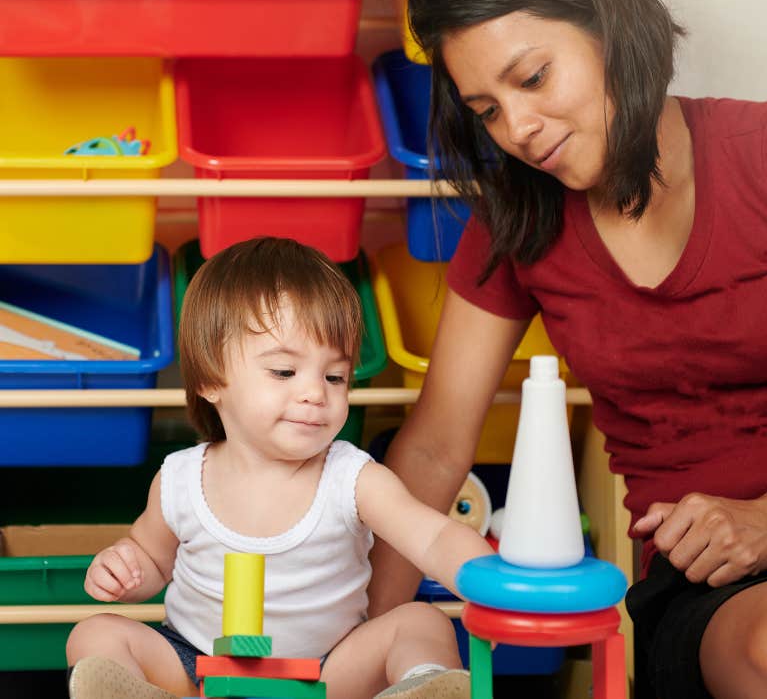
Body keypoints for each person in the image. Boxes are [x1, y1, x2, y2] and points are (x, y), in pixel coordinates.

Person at [365, 0, 767, 699]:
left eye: (532, 77)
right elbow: (431, 450)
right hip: (717, 592)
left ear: (610, 27)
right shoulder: (515, 223)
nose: (518, 127)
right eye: (487, 110)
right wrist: (359, 646)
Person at [66, 237, 492, 699]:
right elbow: (151, 558)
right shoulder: (180, 479)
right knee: (94, 634)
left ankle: (420, 687)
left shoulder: (352, 478)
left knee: (421, 622)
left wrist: (492, 578)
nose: (315, 393)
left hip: (327, 671)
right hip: (196, 669)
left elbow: (431, 537)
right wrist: (126, 572)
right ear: (211, 379)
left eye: (335, 376)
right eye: (285, 372)